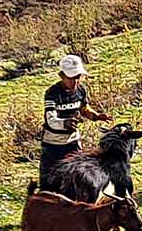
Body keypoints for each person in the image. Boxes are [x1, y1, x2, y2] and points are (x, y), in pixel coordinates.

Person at [37, 54, 108, 188]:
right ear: (61, 75)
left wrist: (96, 116)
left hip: (73, 142)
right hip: (53, 144)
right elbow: (50, 119)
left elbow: (84, 108)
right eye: (71, 78)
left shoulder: (80, 90)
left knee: (78, 177)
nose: (75, 82)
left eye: (78, 77)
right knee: (48, 182)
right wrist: (65, 123)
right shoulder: (52, 93)